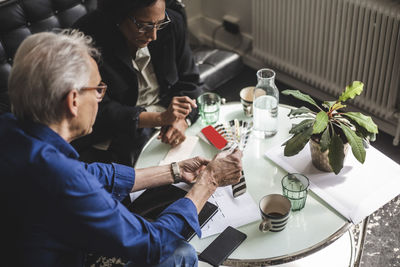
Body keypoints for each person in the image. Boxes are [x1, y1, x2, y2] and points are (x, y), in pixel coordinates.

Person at [0, 30, 242, 267]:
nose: (99, 99)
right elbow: (154, 244)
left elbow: (89, 173)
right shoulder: (60, 177)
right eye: (97, 90)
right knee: (180, 253)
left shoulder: (10, 128)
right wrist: (209, 180)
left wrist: (174, 171)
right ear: (73, 101)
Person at [73, 0, 203, 166]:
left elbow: (190, 81)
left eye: (159, 24)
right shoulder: (86, 37)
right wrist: (159, 118)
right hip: (118, 129)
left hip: (165, 115)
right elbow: (99, 109)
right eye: (144, 25)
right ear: (118, 16)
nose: (153, 35)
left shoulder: (172, 23)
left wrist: (182, 120)